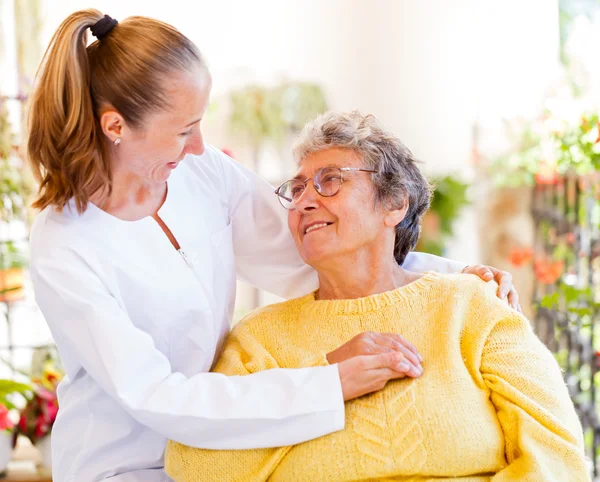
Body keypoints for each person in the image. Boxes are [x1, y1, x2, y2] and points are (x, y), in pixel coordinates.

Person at [27, 10, 520, 482]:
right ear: (116, 127)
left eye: (200, 122)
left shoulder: (202, 174)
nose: (199, 145)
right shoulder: (66, 245)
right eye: (183, 130)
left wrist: (450, 275)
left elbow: (315, 255)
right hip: (123, 465)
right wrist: (330, 382)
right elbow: (156, 395)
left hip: (229, 443)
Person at [165, 111, 588, 482]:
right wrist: (322, 378)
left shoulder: (474, 308)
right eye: (296, 190)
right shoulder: (261, 338)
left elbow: (557, 461)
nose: (304, 202)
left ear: (395, 204)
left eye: (329, 181)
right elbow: (194, 467)